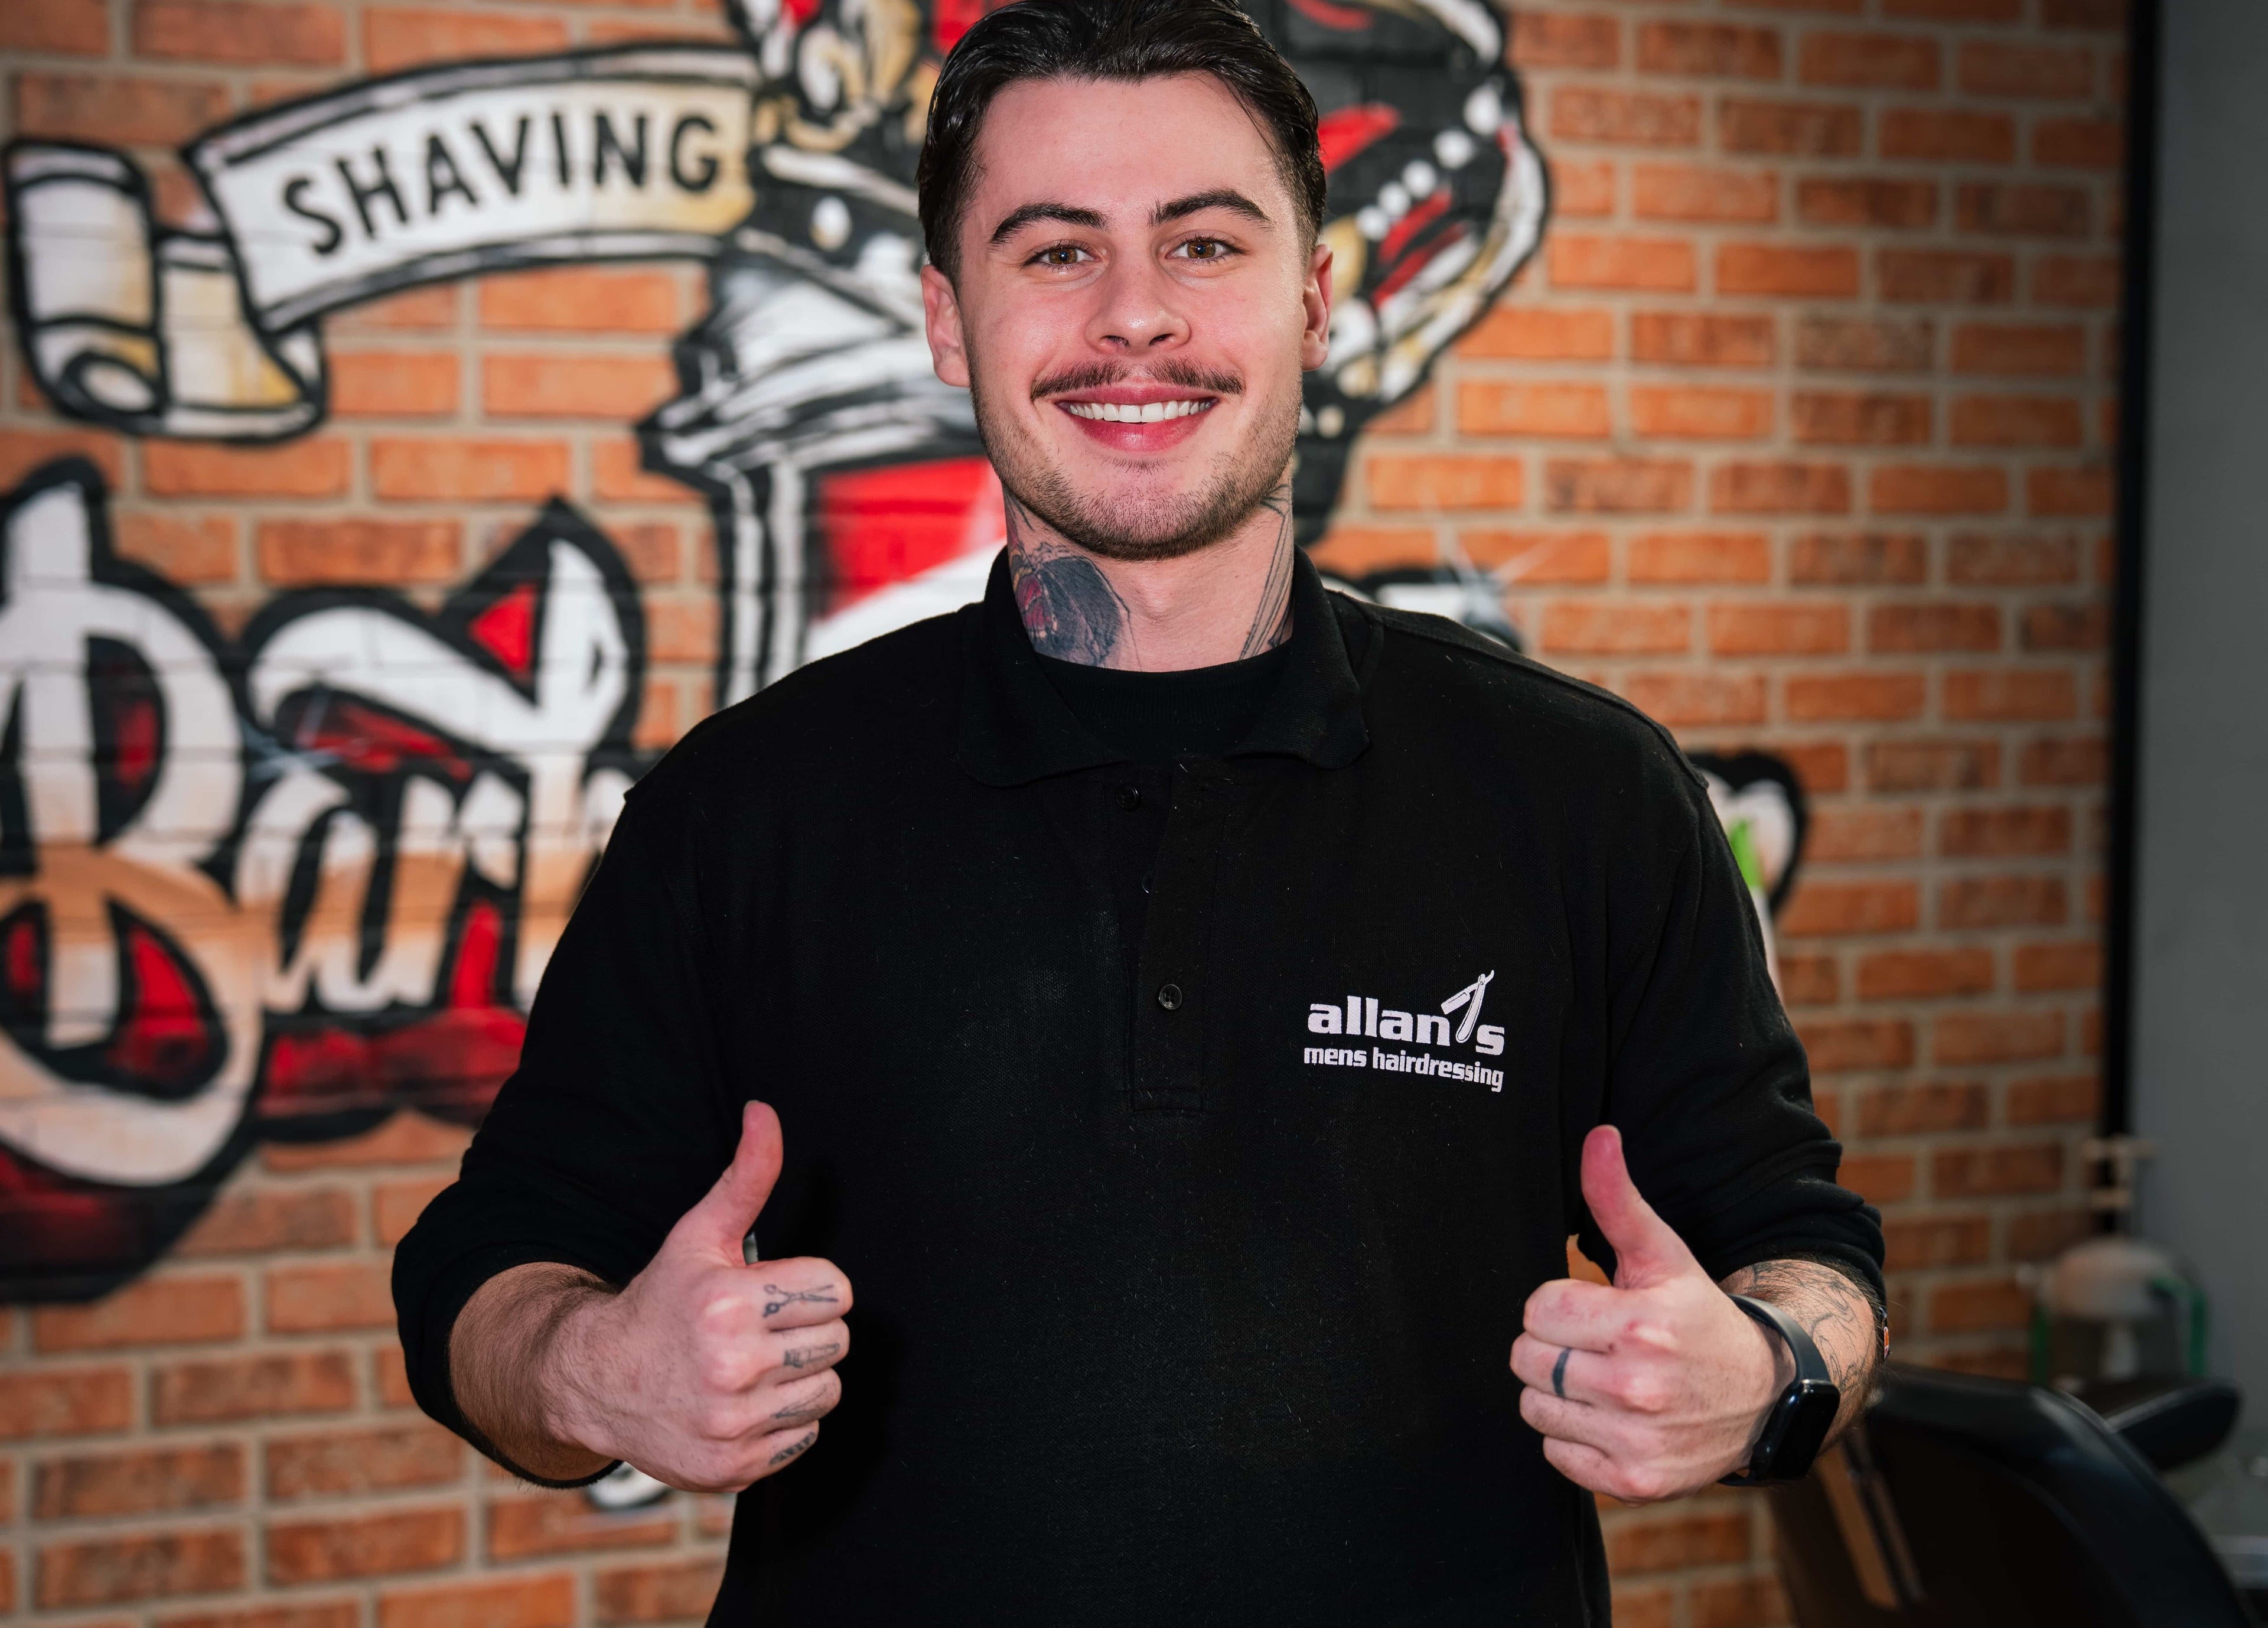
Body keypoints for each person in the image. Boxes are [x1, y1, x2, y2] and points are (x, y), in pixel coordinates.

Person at [394, 1, 1886, 1621]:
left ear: (1315, 298)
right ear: (948, 322)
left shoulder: (1583, 792)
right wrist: (596, 1373)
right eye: (1052, 252)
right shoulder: (742, 810)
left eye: (1202, 244)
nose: (1133, 320)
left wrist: (1775, 1366)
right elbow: (483, 1277)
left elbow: (1803, 1245)